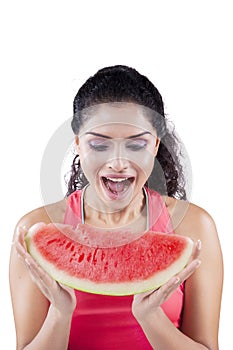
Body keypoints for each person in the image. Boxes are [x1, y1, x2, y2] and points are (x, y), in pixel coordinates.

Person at [10, 65, 223, 350]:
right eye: (99, 145)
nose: (118, 163)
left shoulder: (193, 227)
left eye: (137, 145)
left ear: (156, 145)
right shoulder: (34, 230)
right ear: (77, 145)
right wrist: (59, 315)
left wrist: (151, 318)